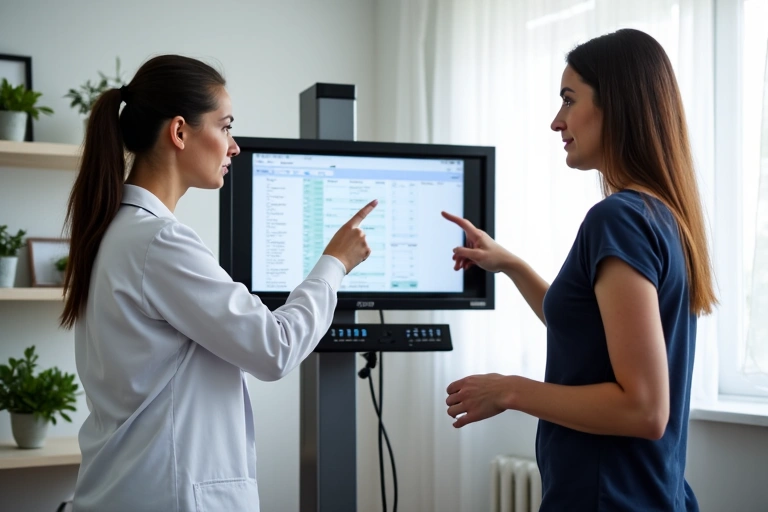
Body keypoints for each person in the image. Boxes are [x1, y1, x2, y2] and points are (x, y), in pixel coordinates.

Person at [59, 55, 376, 512]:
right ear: (180, 132)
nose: (234, 147)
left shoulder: (117, 230)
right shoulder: (158, 241)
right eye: (225, 127)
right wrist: (334, 263)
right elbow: (275, 348)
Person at [442, 29, 716, 511]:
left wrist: (509, 390)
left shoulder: (618, 218)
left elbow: (643, 409)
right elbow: (593, 337)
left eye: (569, 100)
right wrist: (511, 265)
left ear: (618, 104)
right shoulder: (661, 216)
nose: (556, 121)